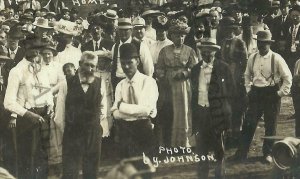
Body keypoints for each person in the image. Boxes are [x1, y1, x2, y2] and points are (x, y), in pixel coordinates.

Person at [231, 30, 292, 163]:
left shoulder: (276, 58)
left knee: (270, 125)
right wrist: (248, 89)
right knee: (249, 123)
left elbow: (288, 78)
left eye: (265, 43)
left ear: (269, 44)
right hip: (256, 93)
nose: (262, 45)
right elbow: (246, 75)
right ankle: (242, 152)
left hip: (272, 94)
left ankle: (268, 153)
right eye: (259, 42)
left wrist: (280, 93)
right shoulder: (252, 57)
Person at [4, 35, 54, 179]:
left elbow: (47, 90)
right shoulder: (17, 71)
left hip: (44, 117)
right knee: (28, 160)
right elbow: (8, 102)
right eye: (33, 49)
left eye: (39, 49)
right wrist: (28, 115)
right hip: (27, 120)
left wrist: (50, 104)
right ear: (25, 47)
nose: (37, 52)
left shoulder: (42, 67)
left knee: (43, 157)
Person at [57, 51, 106, 179]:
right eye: (87, 65)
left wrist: (94, 127)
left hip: (93, 133)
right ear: (79, 64)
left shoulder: (100, 83)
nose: (90, 69)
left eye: (93, 66)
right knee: (70, 171)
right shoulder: (66, 84)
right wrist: (68, 131)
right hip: (72, 133)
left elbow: (102, 109)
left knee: (91, 172)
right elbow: (60, 113)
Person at [191, 37, 235, 179]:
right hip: (201, 113)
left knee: (219, 150)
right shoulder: (196, 69)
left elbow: (231, 92)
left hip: (217, 114)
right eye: (204, 52)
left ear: (215, 52)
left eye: (210, 52)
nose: (206, 55)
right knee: (201, 150)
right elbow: (194, 93)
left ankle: (219, 175)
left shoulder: (223, 68)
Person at [111, 43, 158, 158]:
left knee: (144, 171)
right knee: (127, 171)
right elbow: (115, 114)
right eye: (123, 63)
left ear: (137, 61)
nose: (126, 67)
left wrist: (121, 106)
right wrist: (136, 110)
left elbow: (147, 111)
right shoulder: (120, 85)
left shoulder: (148, 82)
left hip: (143, 131)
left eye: (129, 63)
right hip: (124, 132)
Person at [156, 23, 198, 147]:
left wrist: (184, 73)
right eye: (176, 36)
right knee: (170, 112)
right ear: (171, 36)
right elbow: (159, 67)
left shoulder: (190, 50)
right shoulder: (164, 50)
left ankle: (184, 142)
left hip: (183, 86)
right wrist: (163, 77)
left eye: (182, 36)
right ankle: (170, 143)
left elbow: (195, 68)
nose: (180, 38)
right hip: (168, 86)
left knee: (184, 111)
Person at [111, 18, 154, 89]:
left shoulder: (140, 46)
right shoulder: (115, 47)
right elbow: (114, 66)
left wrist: (146, 86)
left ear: (131, 30)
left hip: (136, 84)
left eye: (126, 30)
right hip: (118, 84)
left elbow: (149, 69)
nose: (123, 33)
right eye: (121, 30)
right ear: (117, 31)